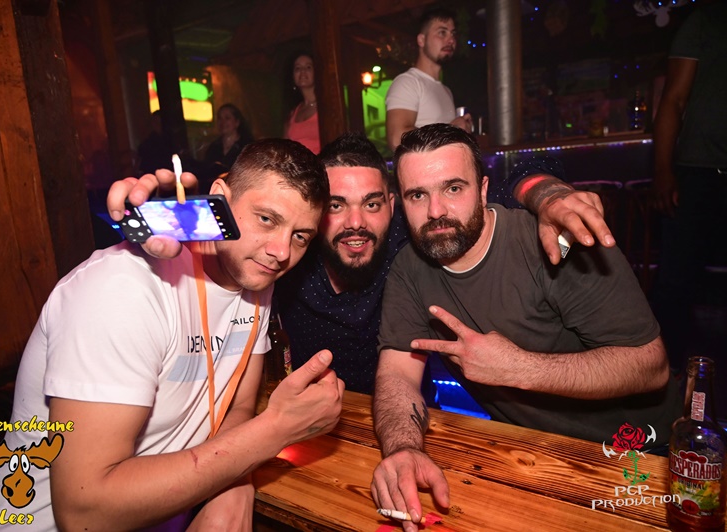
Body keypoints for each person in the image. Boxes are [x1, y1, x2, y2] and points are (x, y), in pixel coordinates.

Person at [0, 139, 344, 531]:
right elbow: (82, 512)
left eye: (300, 236)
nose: (281, 251)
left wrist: (235, 482)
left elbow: (237, 407)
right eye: (266, 219)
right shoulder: (121, 290)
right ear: (220, 197)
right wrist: (276, 430)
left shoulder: (255, 276)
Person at [371, 124, 681, 531]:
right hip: (533, 453)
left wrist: (519, 368)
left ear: (483, 190)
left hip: (643, 452)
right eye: (418, 195)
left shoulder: (554, 241)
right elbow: (397, 374)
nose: (435, 211)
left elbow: (651, 366)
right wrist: (403, 448)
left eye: (453, 188)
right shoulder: (408, 270)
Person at [276, 134, 616, 396]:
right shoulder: (288, 260)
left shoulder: (417, 234)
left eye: (372, 204)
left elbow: (509, 181)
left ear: (392, 205)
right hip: (310, 418)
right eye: (336, 206)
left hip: (410, 416)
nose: (356, 222)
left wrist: (548, 195)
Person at [650, 1, 727, 371]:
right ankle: (668, 377)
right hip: (698, 170)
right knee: (676, 285)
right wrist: (663, 171)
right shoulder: (704, 22)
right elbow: (674, 99)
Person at [385, 7, 473, 151]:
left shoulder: (446, 90)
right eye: (442, 33)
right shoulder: (408, 82)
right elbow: (396, 139)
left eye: (453, 34)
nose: (451, 40)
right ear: (421, 40)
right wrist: (451, 130)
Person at [284, 52, 321, 154]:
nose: (303, 71)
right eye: (298, 68)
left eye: (308, 67)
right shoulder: (292, 113)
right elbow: (285, 150)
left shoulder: (327, 108)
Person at [203, 104, 253, 176]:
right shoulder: (213, 147)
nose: (222, 122)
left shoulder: (247, 146)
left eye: (227, 118)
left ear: (237, 122)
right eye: (220, 118)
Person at [137, 110, 174, 175]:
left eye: (158, 122)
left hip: (168, 171)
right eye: (154, 122)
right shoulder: (148, 142)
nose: (156, 125)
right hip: (152, 173)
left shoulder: (170, 139)